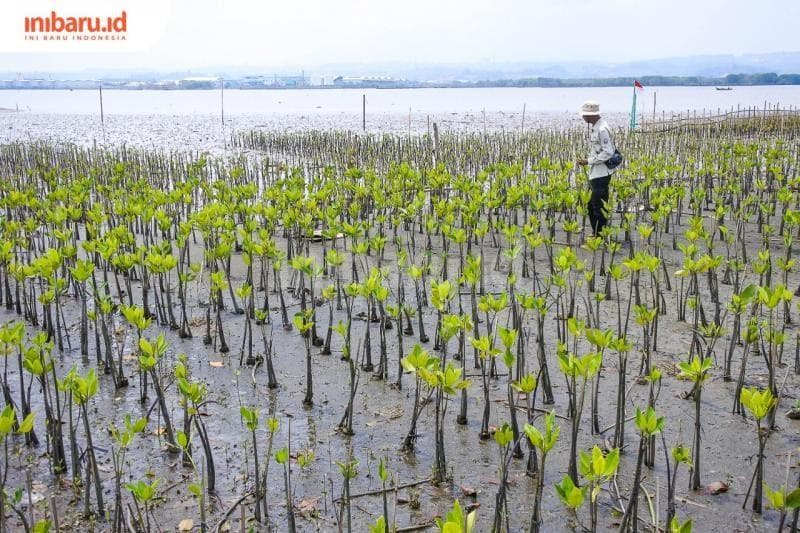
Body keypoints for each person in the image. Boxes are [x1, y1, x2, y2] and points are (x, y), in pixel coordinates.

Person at [575, 100, 615, 236]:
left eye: (585, 115)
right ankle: (596, 233)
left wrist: (588, 161)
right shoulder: (597, 126)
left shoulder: (602, 129)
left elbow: (608, 152)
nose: (583, 117)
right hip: (596, 173)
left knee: (598, 206)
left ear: (592, 115)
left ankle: (600, 235)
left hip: (601, 174)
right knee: (591, 205)